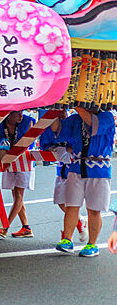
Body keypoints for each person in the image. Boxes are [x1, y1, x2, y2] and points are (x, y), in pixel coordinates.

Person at [53, 107, 115, 257]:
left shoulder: (107, 116)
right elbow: (58, 130)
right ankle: (67, 239)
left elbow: (93, 124)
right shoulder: (75, 119)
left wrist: (76, 106)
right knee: (71, 205)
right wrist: (52, 112)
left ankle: (92, 245)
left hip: (99, 169)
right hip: (76, 166)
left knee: (94, 209)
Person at [40, 113, 88, 243]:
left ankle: (67, 236)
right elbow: (45, 146)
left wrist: (67, 149)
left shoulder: (73, 125)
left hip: (74, 170)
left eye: (64, 111)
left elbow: (75, 147)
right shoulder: (51, 128)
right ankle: (79, 220)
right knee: (60, 202)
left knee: (72, 204)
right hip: (61, 170)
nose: (62, 114)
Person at [0, 111, 35, 238]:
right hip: (8, 159)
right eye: (18, 113)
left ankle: (5, 226)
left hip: (24, 159)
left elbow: (29, 142)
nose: (21, 115)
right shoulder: (0, 123)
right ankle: (26, 227)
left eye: (22, 112)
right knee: (15, 194)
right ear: (9, 114)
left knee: (19, 194)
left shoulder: (28, 121)